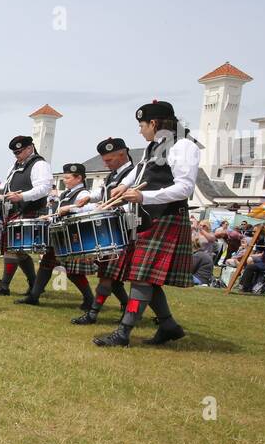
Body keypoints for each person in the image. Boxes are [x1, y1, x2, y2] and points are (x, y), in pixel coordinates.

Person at [94, 100, 197, 347]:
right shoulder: (155, 146)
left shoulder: (183, 145)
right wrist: (124, 186)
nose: (140, 130)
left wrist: (144, 196)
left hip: (167, 216)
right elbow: (140, 170)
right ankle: (168, 325)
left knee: (142, 276)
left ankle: (123, 333)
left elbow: (185, 187)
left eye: (141, 125)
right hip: (149, 218)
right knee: (145, 276)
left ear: (154, 123)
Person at [72, 138, 135, 325]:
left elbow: (135, 202)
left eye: (109, 160)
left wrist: (114, 210)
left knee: (108, 276)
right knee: (111, 276)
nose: (105, 164)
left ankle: (93, 314)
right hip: (112, 230)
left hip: (125, 229)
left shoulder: (133, 174)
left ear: (122, 155)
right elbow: (103, 192)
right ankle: (126, 305)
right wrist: (89, 198)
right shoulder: (114, 174)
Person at [0, 136, 51, 296]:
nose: (17, 155)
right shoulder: (15, 166)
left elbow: (44, 188)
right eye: (15, 153)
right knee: (17, 250)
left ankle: (4, 286)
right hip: (16, 210)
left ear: (30, 148)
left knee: (13, 249)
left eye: (19, 152)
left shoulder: (40, 164)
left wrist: (22, 197)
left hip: (30, 209)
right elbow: (8, 185)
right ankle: (34, 283)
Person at [46, 162, 101, 311]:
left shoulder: (83, 193)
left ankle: (90, 299)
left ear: (79, 178)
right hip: (65, 235)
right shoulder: (65, 194)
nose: (65, 180)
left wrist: (70, 208)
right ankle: (90, 299)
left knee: (74, 272)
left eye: (68, 177)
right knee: (69, 271)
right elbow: (59, 213)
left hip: (76, 236)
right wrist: (49, 218)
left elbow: (94, 207)